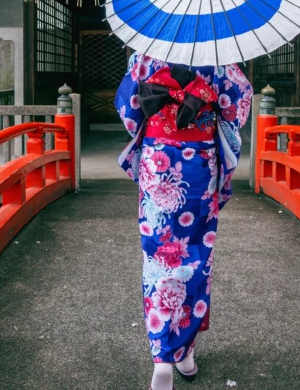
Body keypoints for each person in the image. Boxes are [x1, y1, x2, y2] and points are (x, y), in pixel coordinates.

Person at [114, 53, 254, 390]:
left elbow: (129, 112)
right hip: (199, 163)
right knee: (195, 256)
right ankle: (184, 351)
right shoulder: (220, 58)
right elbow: (237, 108)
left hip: (157, 158)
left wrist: (163, 119)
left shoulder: (142, 57)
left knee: (159, 255)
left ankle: (162, 357)